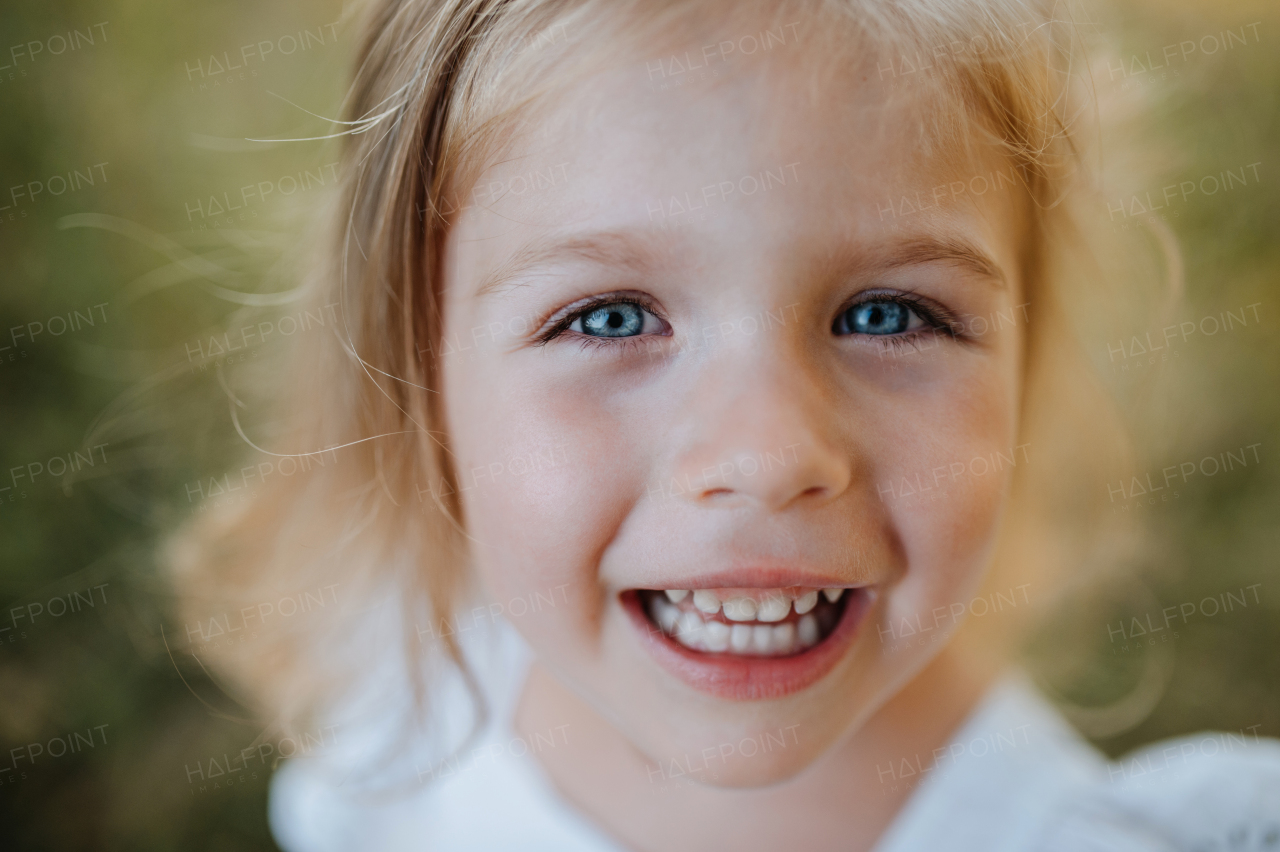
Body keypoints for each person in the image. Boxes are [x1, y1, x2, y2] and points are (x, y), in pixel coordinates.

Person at [167, 1, 1280, 849]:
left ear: (1025, 361)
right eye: (608, 317)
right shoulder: (412, 684)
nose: (766, 456)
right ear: (423, 373)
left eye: (887, 314)